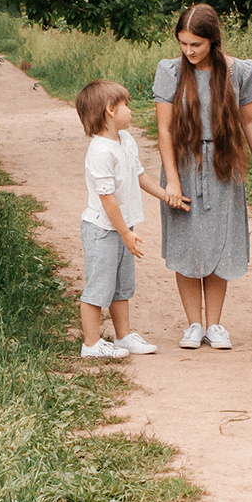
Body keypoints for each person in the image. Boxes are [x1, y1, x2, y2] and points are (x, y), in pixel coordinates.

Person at [154, 4, 252, 349]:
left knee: (220, 241)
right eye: (184, 44)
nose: (189, 51)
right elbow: (163, 130)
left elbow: (249, 120)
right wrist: (172, 180)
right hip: (185, 162)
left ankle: (215, 325)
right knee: (187, 243)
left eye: (196, 45)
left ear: (213, 41)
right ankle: (193, 324)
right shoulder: (170, 71)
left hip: (223, 162)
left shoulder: (238, 71)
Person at [74, 79, 166, 360]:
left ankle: (123, 336)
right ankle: (90, 344)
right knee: (99, 287)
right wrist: (125, 233)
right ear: (110, 110)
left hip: (123, 228)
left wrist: (166, 195)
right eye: (126, 104)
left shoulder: (125, 140)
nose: (131, 110)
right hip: (103, 229)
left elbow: (139, 174)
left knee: (122, 285)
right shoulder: (100, 151)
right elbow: (108, 199)